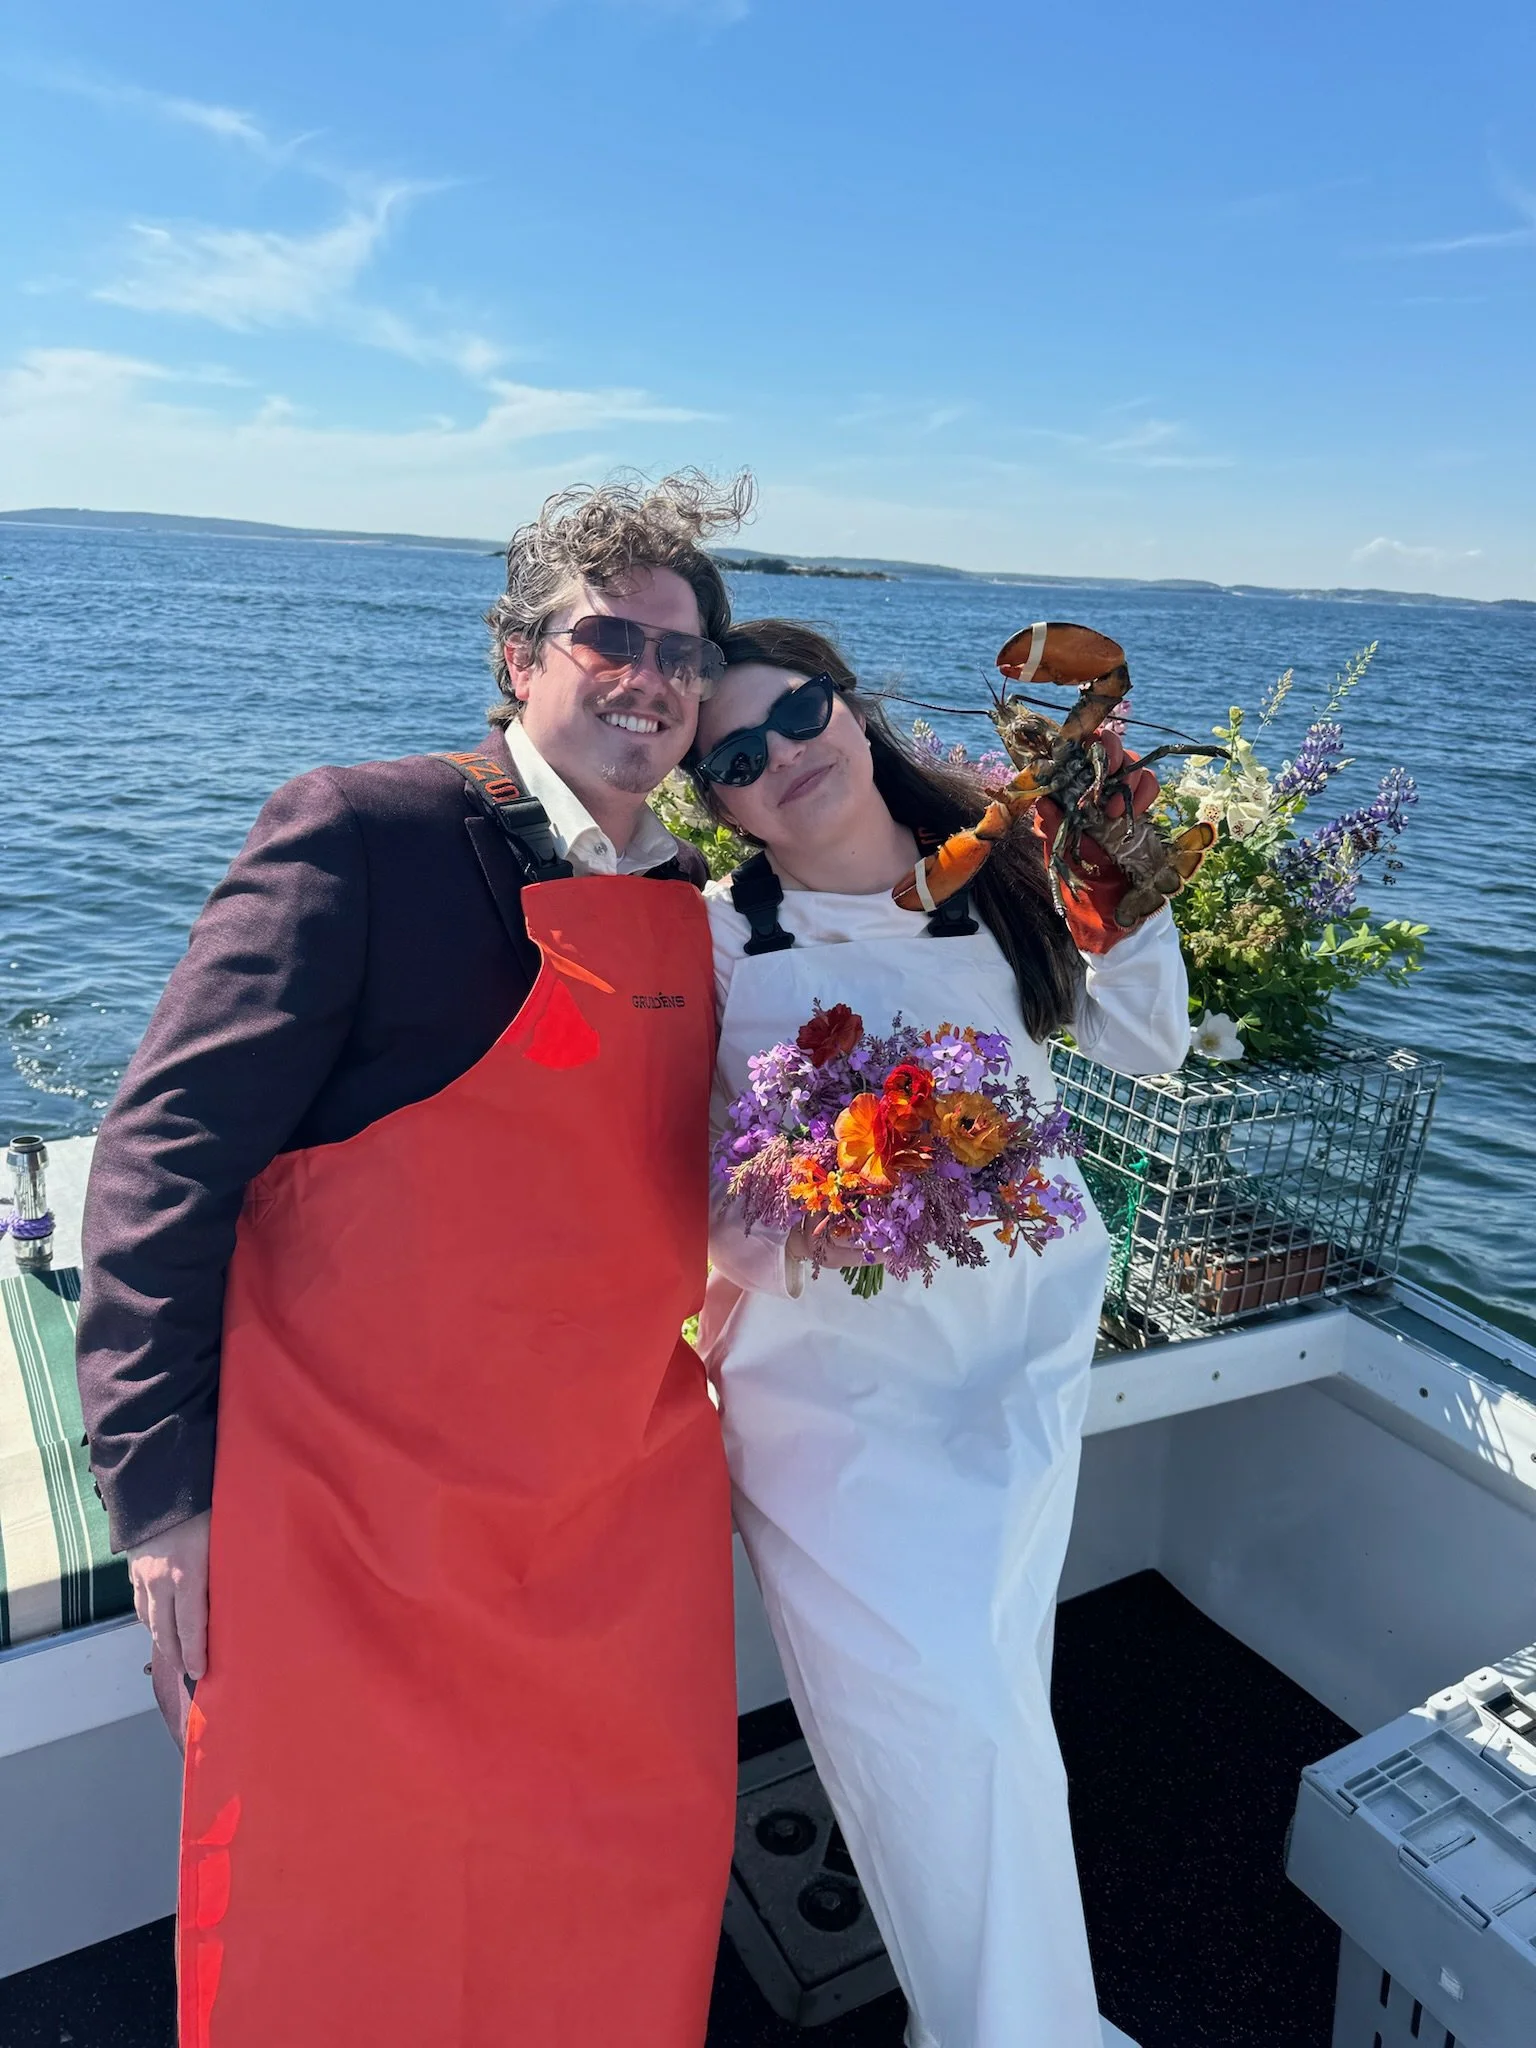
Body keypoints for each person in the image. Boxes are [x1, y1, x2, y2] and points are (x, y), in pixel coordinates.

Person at [75, 471, 753, 2048]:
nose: (650, 677)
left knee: (612, 1900)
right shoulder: (365, 833)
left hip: (611, 1519)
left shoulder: (700, 905)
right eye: (610, 638)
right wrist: (165, 1495)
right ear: (519, 656)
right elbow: (164, 1163)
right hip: (352, 1521)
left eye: (683, 652)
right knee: (343, 1933)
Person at [689, 620, 1190, 2048]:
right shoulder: (718, 939)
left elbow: (1149, 1047)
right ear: (711, 800)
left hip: (1015, 1360)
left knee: (996, 1723)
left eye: (797, 713)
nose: (782, 756)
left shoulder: (1006, 864)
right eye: (734, 757)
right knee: (934, 1726)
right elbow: (668, 1181)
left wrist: (1122, 871)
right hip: (823, 1406)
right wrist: (810, 1195)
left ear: (847, 704)